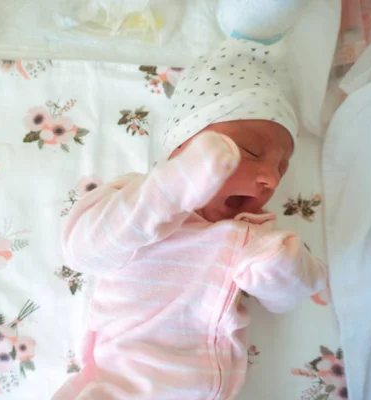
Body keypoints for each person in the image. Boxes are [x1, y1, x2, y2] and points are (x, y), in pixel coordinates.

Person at [52, 34, 327, 400]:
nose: (271, 179)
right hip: (117, 385)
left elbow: (287, 298)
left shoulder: (248, 234)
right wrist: (170, 191)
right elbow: (83, 250)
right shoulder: (138, 200)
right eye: (249, 152)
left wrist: (282, 264)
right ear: (182, 150)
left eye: (282, 167)